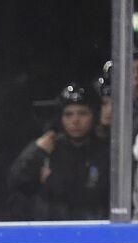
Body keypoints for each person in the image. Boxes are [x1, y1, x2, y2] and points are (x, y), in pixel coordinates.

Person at [6, 83, 108, 220]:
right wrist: (36, 151)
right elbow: (15, 181)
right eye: (68, 114)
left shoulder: (105, 151)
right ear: (61, 118)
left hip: (95, 230)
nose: (75, 120)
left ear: (94, 115)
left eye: (83, 113)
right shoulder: (47, 149)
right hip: (51, 231)